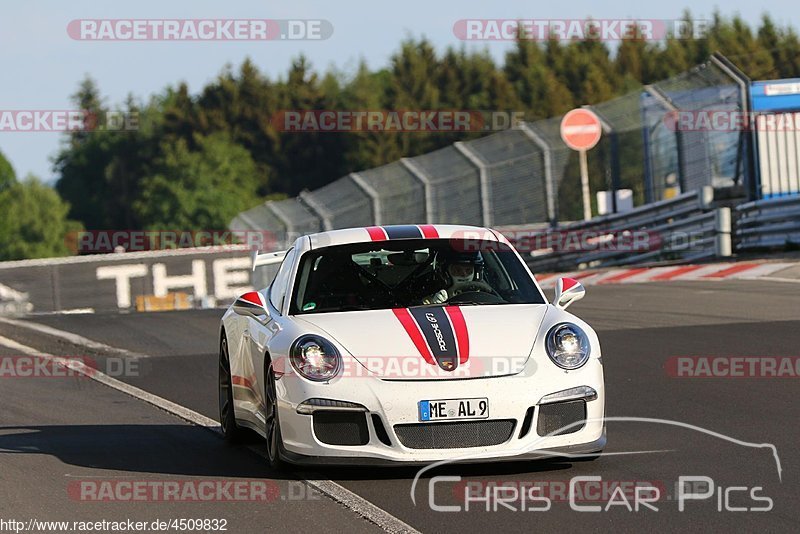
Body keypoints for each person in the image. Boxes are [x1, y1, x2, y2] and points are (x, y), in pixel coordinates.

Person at [422, 250, 494, 304]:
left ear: (476, 273)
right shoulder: (429, 298)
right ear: (445, 273)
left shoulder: (487, 293)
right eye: (457, 270)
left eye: (468, 270)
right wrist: (433, 305)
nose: (464, 274)